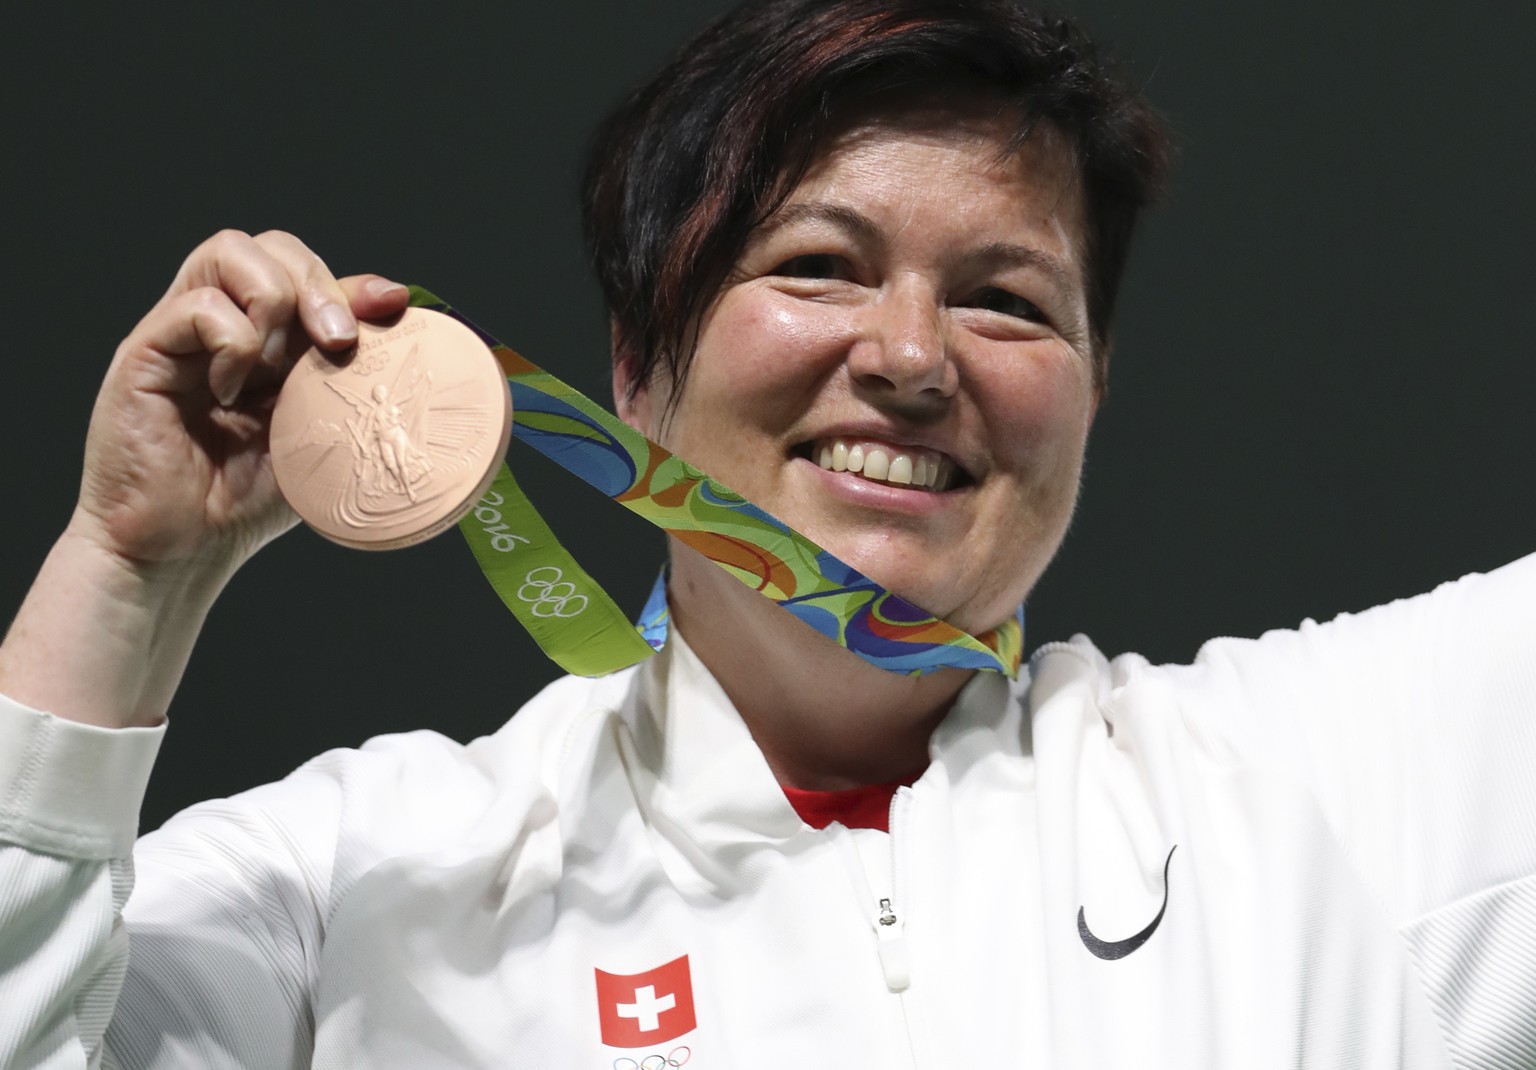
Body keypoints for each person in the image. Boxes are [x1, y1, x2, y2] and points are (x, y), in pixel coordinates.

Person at [1, 0, 1532, 1066]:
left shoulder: (1327, 794)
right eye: (819, 266)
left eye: (1006, 299)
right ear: (634, 365)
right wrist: (125, 574)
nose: (915, 358)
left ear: (1092, 389)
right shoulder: (369, 880)